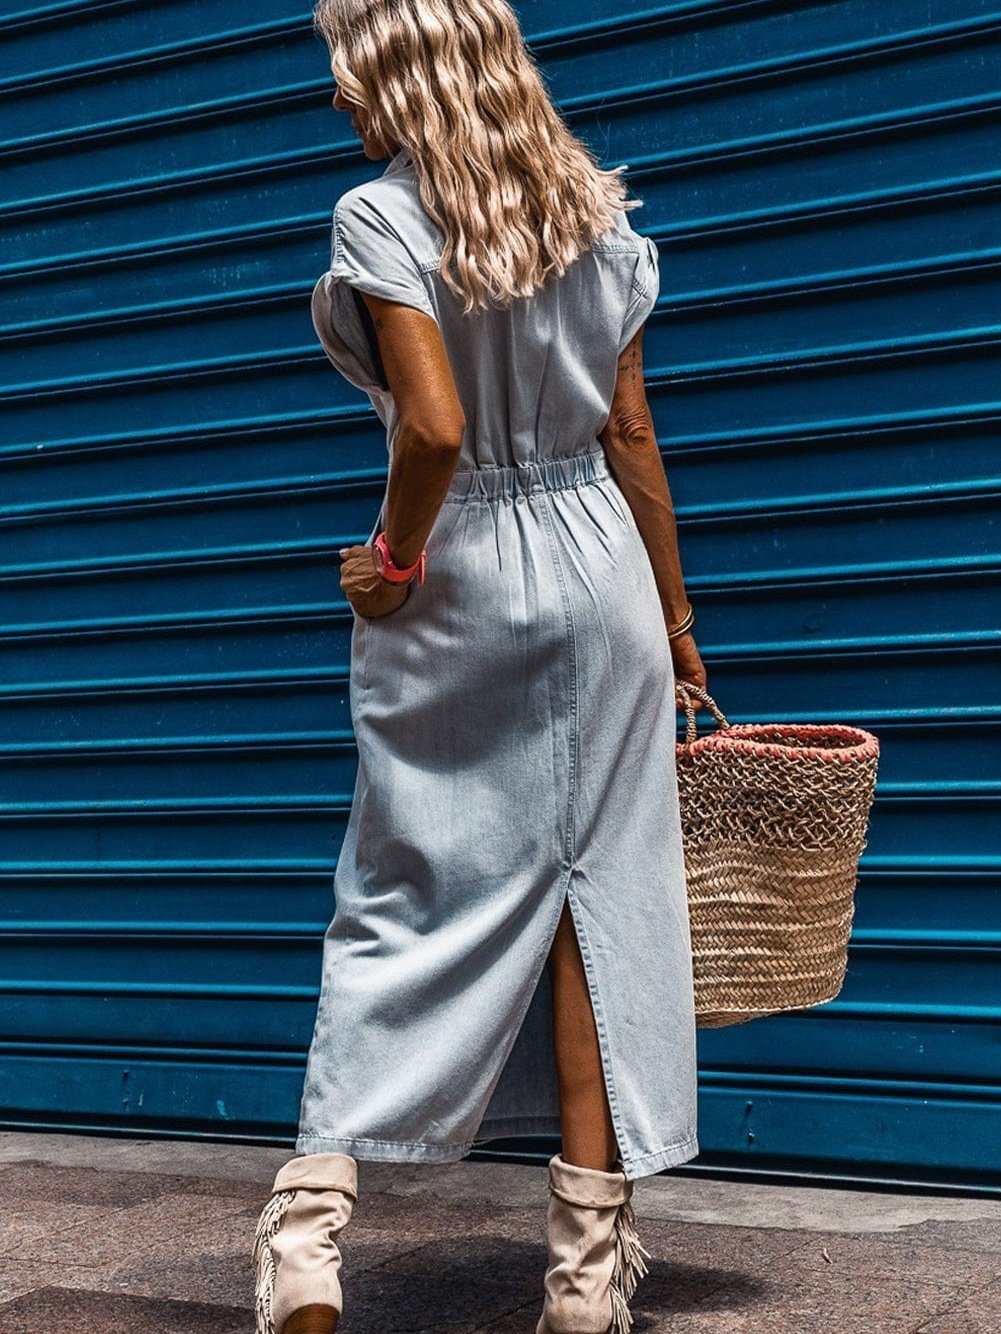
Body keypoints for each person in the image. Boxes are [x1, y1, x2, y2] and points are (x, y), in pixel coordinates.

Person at [253, 3, 708, 1332]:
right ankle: (579, 1277)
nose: (338, 99)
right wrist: (675, 624)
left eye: (347, 72)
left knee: (398, 881)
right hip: (601, 566)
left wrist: (391, 559)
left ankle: (307, 1236)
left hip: (461, 570)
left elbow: (436, 426)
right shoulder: (595, 218)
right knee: (592, 906)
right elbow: (627, 430)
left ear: (403, 69)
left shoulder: (378, 218)